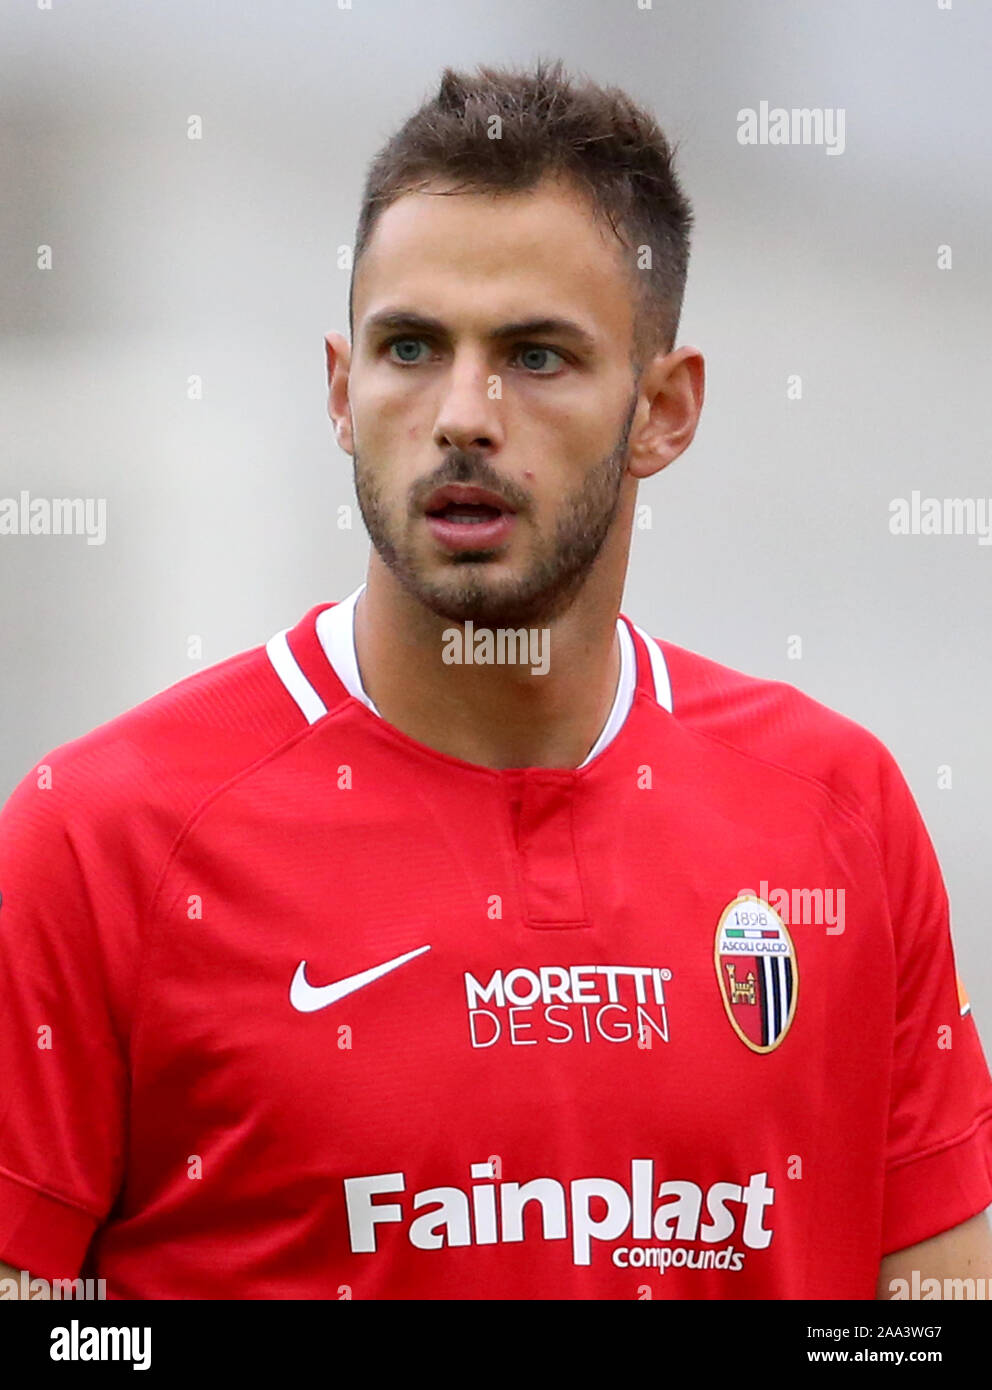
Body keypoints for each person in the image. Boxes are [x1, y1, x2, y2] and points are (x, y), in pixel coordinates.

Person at [1, 58, 990, 1301]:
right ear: (340, 391)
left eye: (535, 356)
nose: (463, 413)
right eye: (410, 346)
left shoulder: (836, 817)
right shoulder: (100, 840)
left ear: (663, 410)